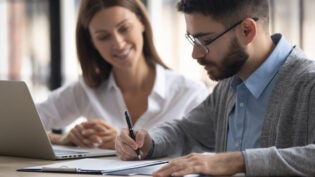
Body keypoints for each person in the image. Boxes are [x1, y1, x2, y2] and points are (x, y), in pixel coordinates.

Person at [115, 0, 315, 176]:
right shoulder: (230, 84)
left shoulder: (308, 83)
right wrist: (148, 142)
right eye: (193, 40)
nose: (195, 54)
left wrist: (238, 161)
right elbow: (187, 131)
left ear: (247, 30)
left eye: (205, 40)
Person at [36, 0, 208, 150]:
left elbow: (206, 157)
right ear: (92, 42)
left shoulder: (189, 93)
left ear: (141, 22)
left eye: (124, 28)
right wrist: (64, 140)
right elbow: (18, 128)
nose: (118, 44)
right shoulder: (86, 89)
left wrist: (122, 143)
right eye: (103, 37)